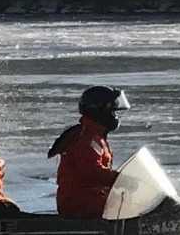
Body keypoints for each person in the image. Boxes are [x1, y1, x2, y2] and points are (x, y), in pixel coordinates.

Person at [47, 86, 132, 219]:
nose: (115, 116)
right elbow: (92, 171)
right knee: (125, 206)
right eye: (112, 112)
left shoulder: (95, 136)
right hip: (80, 202)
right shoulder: (85, 139)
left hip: (91, 197)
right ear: (100, 111)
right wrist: (120, 179)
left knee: (128, 203)